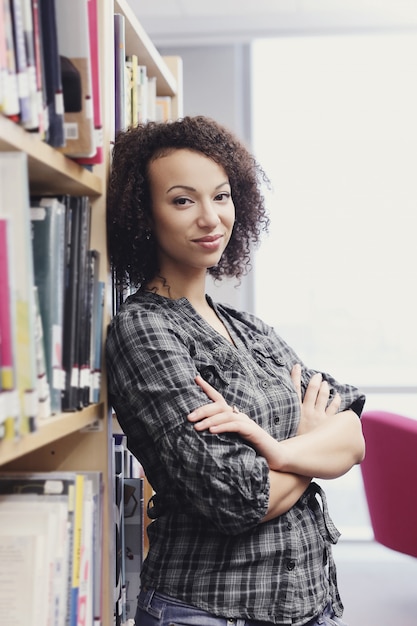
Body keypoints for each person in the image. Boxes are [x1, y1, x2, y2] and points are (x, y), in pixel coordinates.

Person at [105, 115, 366, 626]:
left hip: (310, 604)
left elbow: (353, 431)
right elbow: (233, 498)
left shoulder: (249, 328)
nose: (210, 218)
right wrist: (310, 442)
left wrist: (276, 450)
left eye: (221, 196)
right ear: (144, 215)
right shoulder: (143, 331)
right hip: (207, 610)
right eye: (183, 200)